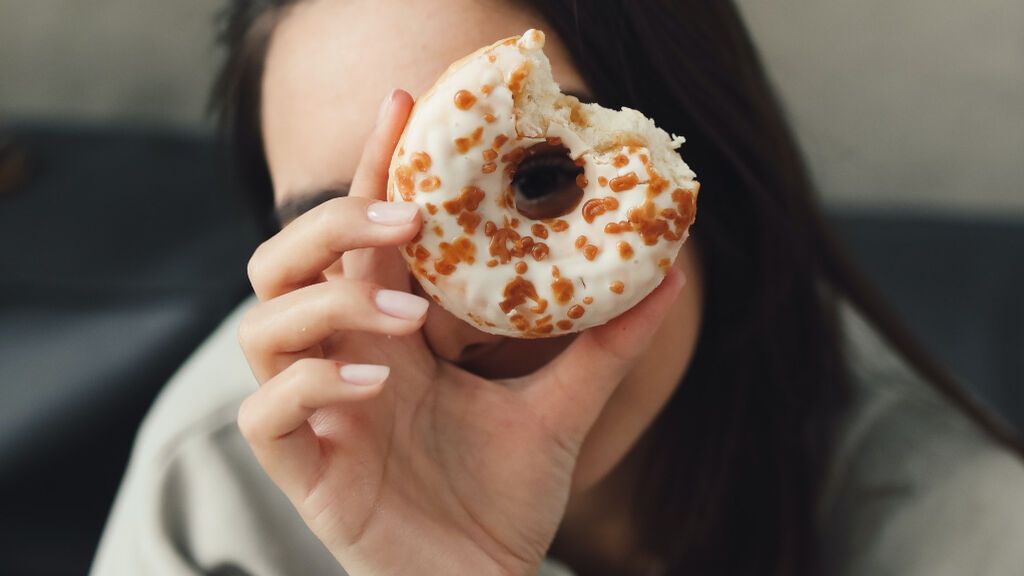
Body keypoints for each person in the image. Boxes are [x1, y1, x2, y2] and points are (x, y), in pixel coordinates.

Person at [91, 1, 1024, 575]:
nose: (451, 324)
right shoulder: (219, 486)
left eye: (539, 180)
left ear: (703, 177)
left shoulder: (969, 537)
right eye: (350, 222)